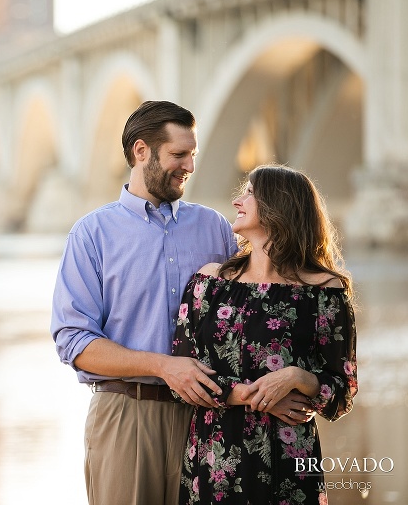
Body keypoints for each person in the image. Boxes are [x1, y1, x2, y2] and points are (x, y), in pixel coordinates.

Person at [52, 101, 309, 505]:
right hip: (128, 417)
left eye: (193, 154)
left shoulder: (216, 229)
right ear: (141, 152)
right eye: (178, 154)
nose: (190, 165)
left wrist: (279, 385)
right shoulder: (92, 235)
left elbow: (256, 316)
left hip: (216, 419)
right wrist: (163, 366)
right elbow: (74, 343)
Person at [172, 163, 358, 504]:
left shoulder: (325, 291)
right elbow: (182, 377)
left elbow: (342, 393)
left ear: (277, 206)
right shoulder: (209, 283)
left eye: (249, 193)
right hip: (215, 459)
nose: (237, 200)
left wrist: (296, 377)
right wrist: (252, 395)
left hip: (289, 466)